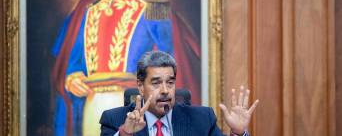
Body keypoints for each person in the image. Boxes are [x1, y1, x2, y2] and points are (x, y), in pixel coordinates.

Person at [51, 0, 178, 135]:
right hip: (91, 109)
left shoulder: (153, 8)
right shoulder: (86, 11)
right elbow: (71, 62)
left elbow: (170, 64)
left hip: (134, 111)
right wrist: (72, 78)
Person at [100, 51, 259, 136]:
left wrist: (238, 133)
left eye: (170, 82)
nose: (165, 90)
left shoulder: (202, 119)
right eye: (156, 83)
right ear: (141, 86)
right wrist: (125, 133)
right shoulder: (114, 119)